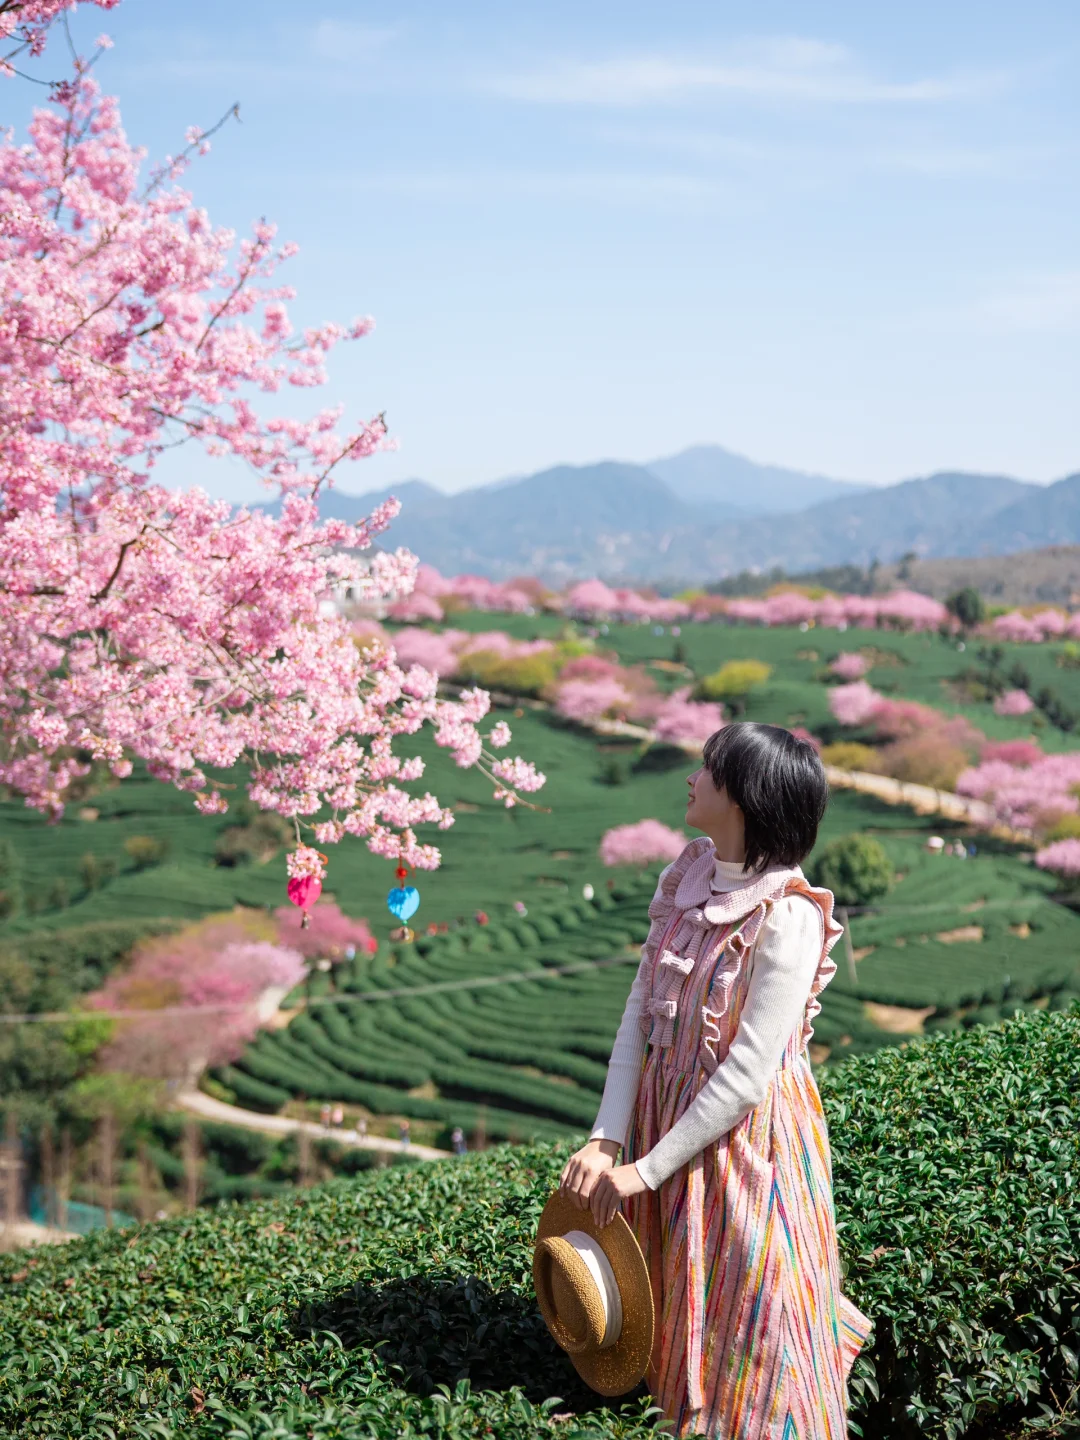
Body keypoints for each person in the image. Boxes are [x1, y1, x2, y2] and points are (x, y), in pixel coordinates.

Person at [559, 722, 872, 1438]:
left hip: (745, 1152)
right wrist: (608, 1139)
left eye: (709, 768)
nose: (691, 778)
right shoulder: (691, 875)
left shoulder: (787, 917)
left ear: (744, 797)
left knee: (757, 1333)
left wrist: (647, 1168)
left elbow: (747, 1075)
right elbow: (639, 1012)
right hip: (661, 1137)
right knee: (675, 1328)